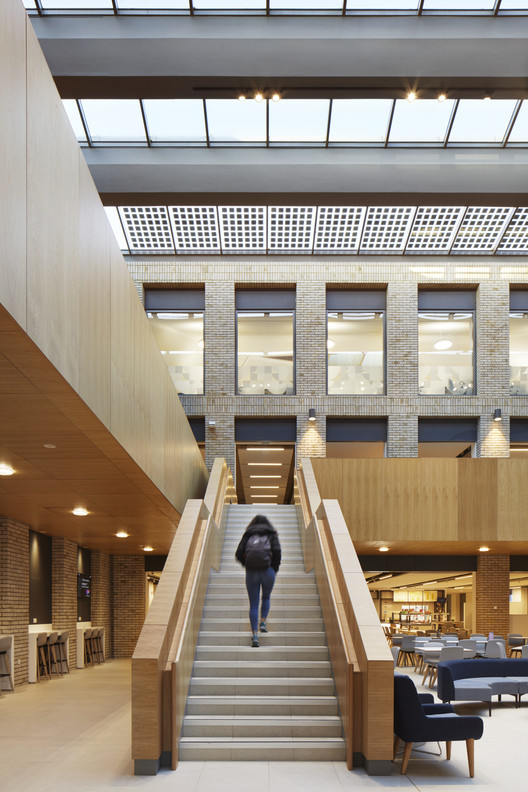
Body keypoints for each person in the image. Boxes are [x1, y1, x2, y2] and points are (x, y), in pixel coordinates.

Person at [235, 514, 281, 647]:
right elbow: (277, 551)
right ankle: (263, 622)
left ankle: (255, 635)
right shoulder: (271, 534)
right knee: (266, 597)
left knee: (253, 604)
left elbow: (238, 554)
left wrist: (247, 565)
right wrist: (274, 567)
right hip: (268, 571)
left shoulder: (248, 534)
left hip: (251, 573)